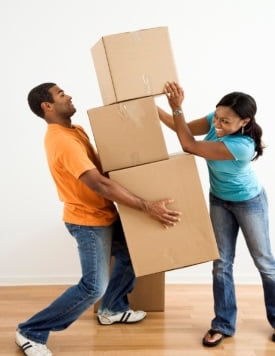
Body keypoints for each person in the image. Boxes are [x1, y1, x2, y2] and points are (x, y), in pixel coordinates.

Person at [16, 82, 181, 356]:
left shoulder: (75, 130)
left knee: (133, 253)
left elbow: (101, 167)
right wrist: (145, 206)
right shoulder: (62, 141)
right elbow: (99, 184)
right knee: (93, 287)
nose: (68, 95)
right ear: (47, 106)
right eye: (61, 94)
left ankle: (112, 308)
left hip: (104, 213)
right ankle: (30, 331)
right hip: (87, 222)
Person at [158, 81, 275, 347]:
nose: (218, 125)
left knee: (265, 263)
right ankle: (223, 324)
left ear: (244, 121)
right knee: (221, 263)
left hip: (249, 202)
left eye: (226, 122)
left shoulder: (243, 146)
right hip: (220, 200)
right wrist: (154, 108)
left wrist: (177, 108)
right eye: (217, 118)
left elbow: (189, 145)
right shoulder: (216, 119)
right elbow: (183, 129)